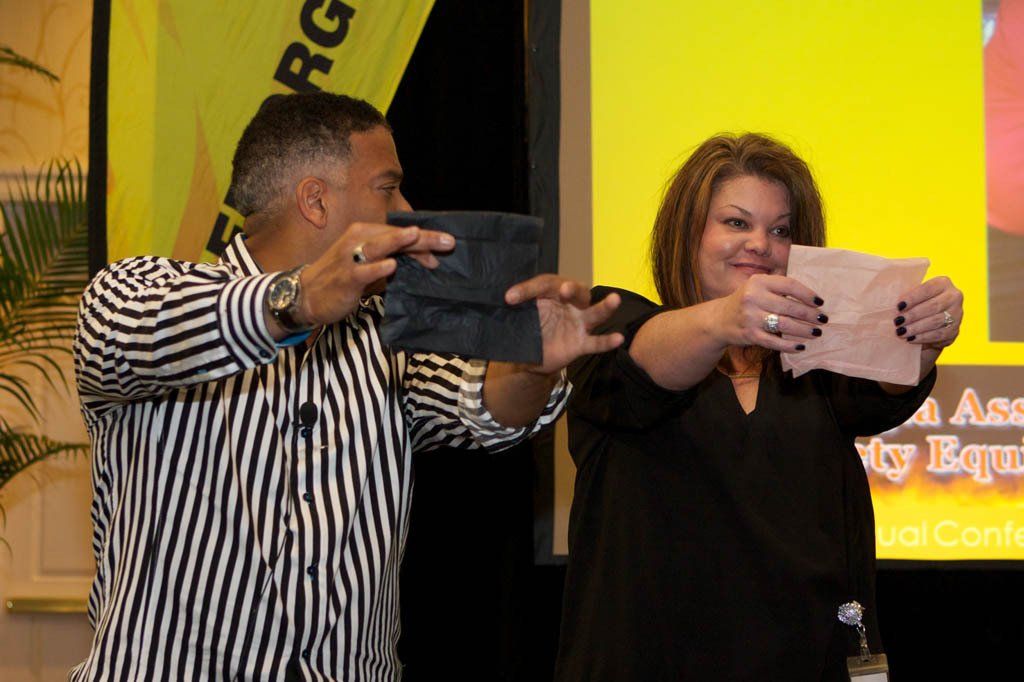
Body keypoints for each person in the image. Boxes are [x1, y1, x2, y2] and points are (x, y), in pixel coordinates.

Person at [71, 92, 622, 681]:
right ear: (315, 201)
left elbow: (484, 410)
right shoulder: (140, 292)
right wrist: (299, 299)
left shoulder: (388, 337)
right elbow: (135, 330)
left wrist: (532, 364)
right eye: (388, 188)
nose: (408, 209)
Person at [553, 133, 963, 681]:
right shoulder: (615, 325)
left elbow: (885, 385)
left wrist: (925, 334)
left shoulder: (814, 364)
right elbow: (639, 365)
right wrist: (726, 318)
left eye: (780, 230)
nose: (760, 246)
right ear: (687, 233)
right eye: (736, 223)